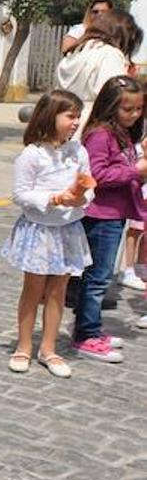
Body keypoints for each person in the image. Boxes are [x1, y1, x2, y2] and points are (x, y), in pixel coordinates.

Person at [1, 90, 92, 377]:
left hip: (67, 228)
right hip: (39, 229)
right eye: (70, 116)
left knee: (58, 291)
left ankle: (48, 348)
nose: (75, 122)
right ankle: (24, 345)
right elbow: (20, 194)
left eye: (78, 116)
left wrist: (81, 200)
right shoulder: (32, 155)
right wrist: (53, 199)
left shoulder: (78, 151)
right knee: (33, 289)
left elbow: (89, 188)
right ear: (50, 116)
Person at [71, 75, 146, 363]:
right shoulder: (101, 134)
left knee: (100, 276)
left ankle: (90, 327)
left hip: (114, 214)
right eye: (128, 109)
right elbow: (97, 175)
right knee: (98, 278)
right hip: (100, 215)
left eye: (139, 109)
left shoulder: (122, 133)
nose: (134, 115)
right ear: (111, 106)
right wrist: (135, 171)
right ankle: (85, 335)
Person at [55, 8, 145, 107]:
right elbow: (114, 95)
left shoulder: (78, 50)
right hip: (91, 117)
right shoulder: (109, 54)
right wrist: (129, 82)